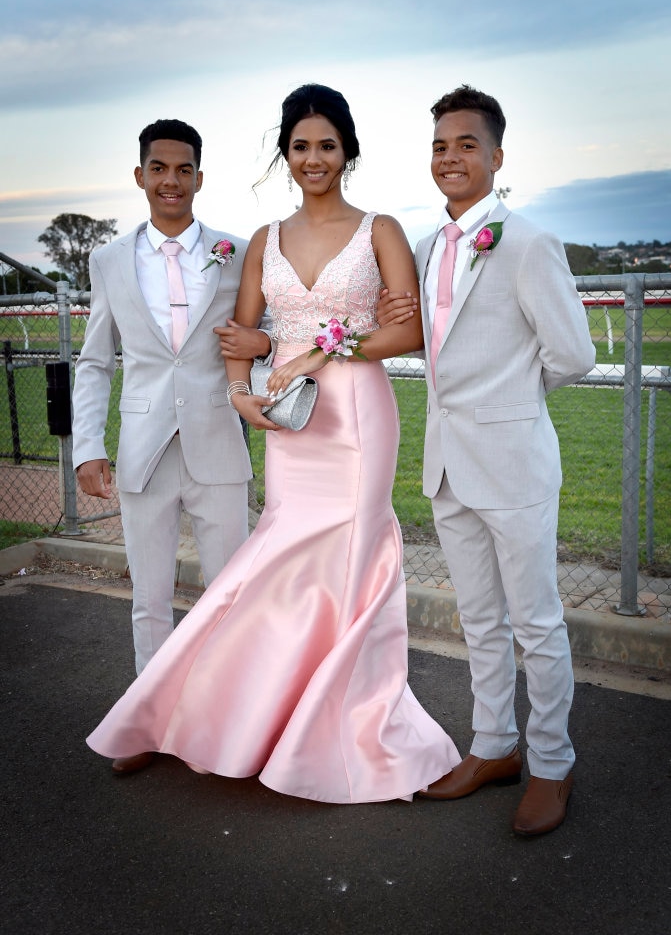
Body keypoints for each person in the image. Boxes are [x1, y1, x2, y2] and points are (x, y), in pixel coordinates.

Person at [86, 84, 460, 803]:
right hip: (290, 423)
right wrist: (240, 391)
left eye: (325, 145)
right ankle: (255, 717)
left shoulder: (379, 229)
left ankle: (340, 726)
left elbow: (408, 333)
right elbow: (239, 332)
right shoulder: (261, 241)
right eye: (299, 147)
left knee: (351, 564)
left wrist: (322, 348)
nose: (312, 159)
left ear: (346, 151)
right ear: (284, 156)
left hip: (356, 419)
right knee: (281, 566)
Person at [380, 85, 595, 834]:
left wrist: (509, 399)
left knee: (535, 621)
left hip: (512, 460)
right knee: (477, 618)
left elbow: (573, 353)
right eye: (440, 145)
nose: (449, 157)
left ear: (496, 157)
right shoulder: (426, 245)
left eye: (465, 144)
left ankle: (551, 763)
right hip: (446, 462)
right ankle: (494, 745)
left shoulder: (529, 242)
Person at [72, 119, 270, 695]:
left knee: (228, 595)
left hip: (218, 444)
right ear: (140, 175)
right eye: (158, 168)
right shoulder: (108, 260)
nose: (171, 181)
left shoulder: (233, 253)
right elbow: (95, 361)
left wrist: (264, 347)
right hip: (143, 450)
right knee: (149, 599)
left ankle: (225, 718)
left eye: (183, 169)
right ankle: (149, 718)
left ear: (199, 177)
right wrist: (88, 445)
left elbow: (266, 333)